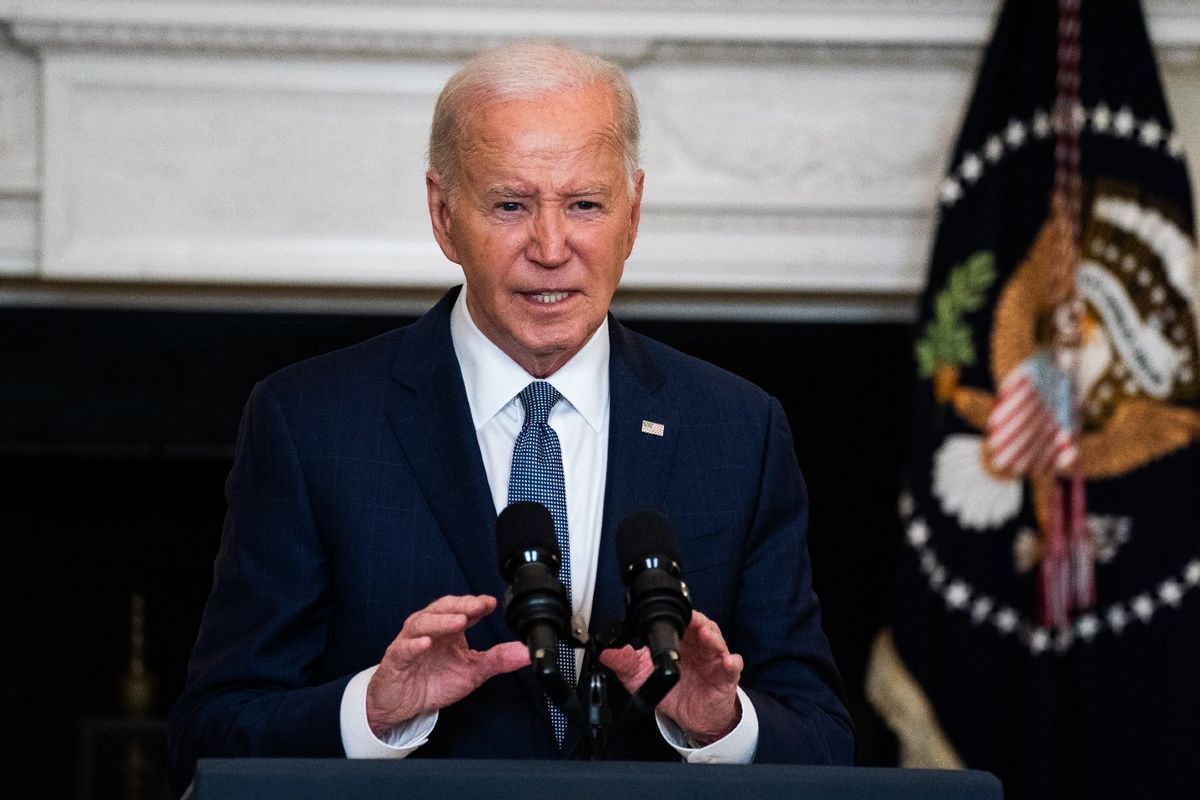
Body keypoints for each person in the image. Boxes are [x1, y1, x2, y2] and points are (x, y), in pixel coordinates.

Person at [166, 41, 853, 797]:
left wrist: (721, 726)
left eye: (585, 204)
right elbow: (209, 737)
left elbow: (823, 741)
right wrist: (373, 711)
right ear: (443, 214)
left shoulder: (739, 430)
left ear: (633, 213)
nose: (551, 248)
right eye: (510, 205)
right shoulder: (310, 423)